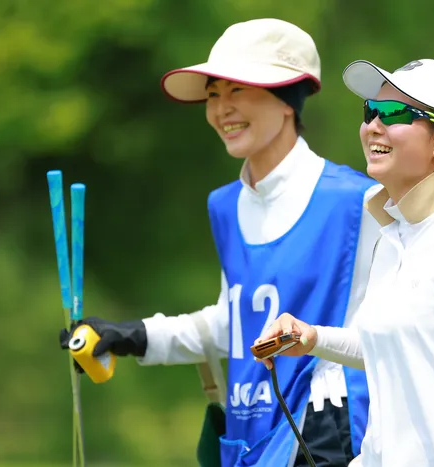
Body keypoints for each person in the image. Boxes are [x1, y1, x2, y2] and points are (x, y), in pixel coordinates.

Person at [59, 18, 383, 467]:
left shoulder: (360, 201)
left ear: (287, 99)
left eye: (238, 90)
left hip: (329, 429)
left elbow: (392, 332)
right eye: (213, 94)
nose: (221, 109)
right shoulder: (225, 206)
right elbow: (234, 323)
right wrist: (132, 336)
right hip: (249, 430)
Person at [255, 58, 434, 467]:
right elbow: (391, 348)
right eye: (371, 110)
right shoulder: (392, 235)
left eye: (394, 113)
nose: (373, 125)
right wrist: (314, 338)